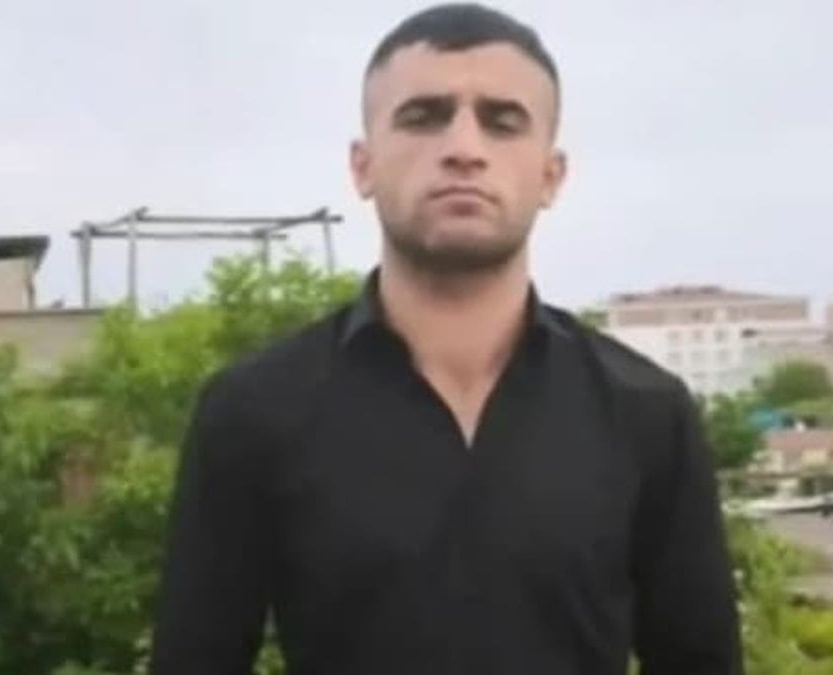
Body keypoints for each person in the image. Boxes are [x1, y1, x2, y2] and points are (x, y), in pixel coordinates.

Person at [150, 3, 743, 674]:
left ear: (550, 176)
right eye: (424, 116)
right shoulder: (254, 411)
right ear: (363, 165)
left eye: (502, 121)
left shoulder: (647, 412)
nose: (464, 147)